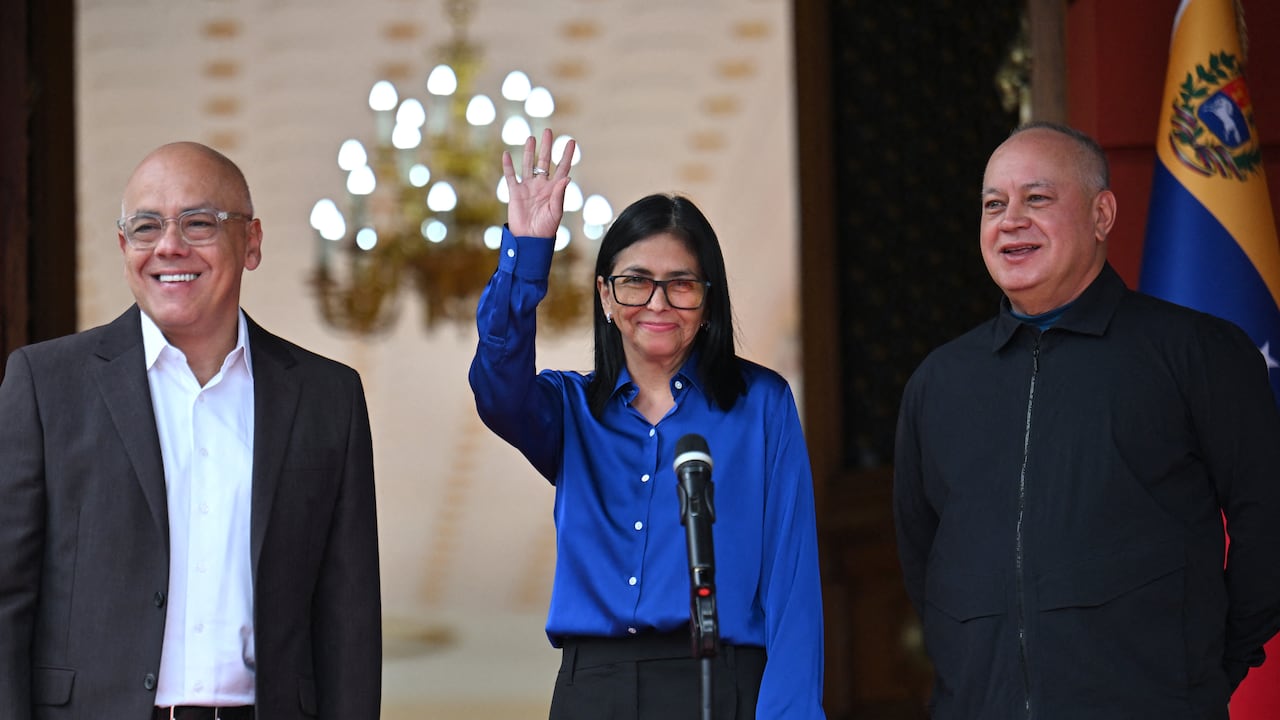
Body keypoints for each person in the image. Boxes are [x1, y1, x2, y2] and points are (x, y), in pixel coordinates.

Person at [893, 122, 1280, 719]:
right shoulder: (938, 383)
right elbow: (926, 564)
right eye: (994, 204)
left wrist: (1199, 671)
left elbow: (1268, 524)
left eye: (1037, 199)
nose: (1010, 219)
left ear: (1102, 215)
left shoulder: (1195, 352)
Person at [0, 142, 382, 719]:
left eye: (198, 223)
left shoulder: (328, 399)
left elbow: (348, 619)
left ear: (251, 242)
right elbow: (6, 599)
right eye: (146, 226)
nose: (169, 246)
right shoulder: (46, 385)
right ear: (124, 246)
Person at [469, 129, 825, 719]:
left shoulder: (763, 403)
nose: (657, 303)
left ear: (709, 300)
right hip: (594, 688)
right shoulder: (570, 407)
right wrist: (527, 250)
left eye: (681, 284)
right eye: (635, 281)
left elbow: (793, 586)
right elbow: (496, 388)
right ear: (606, 297)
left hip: (723, 681)